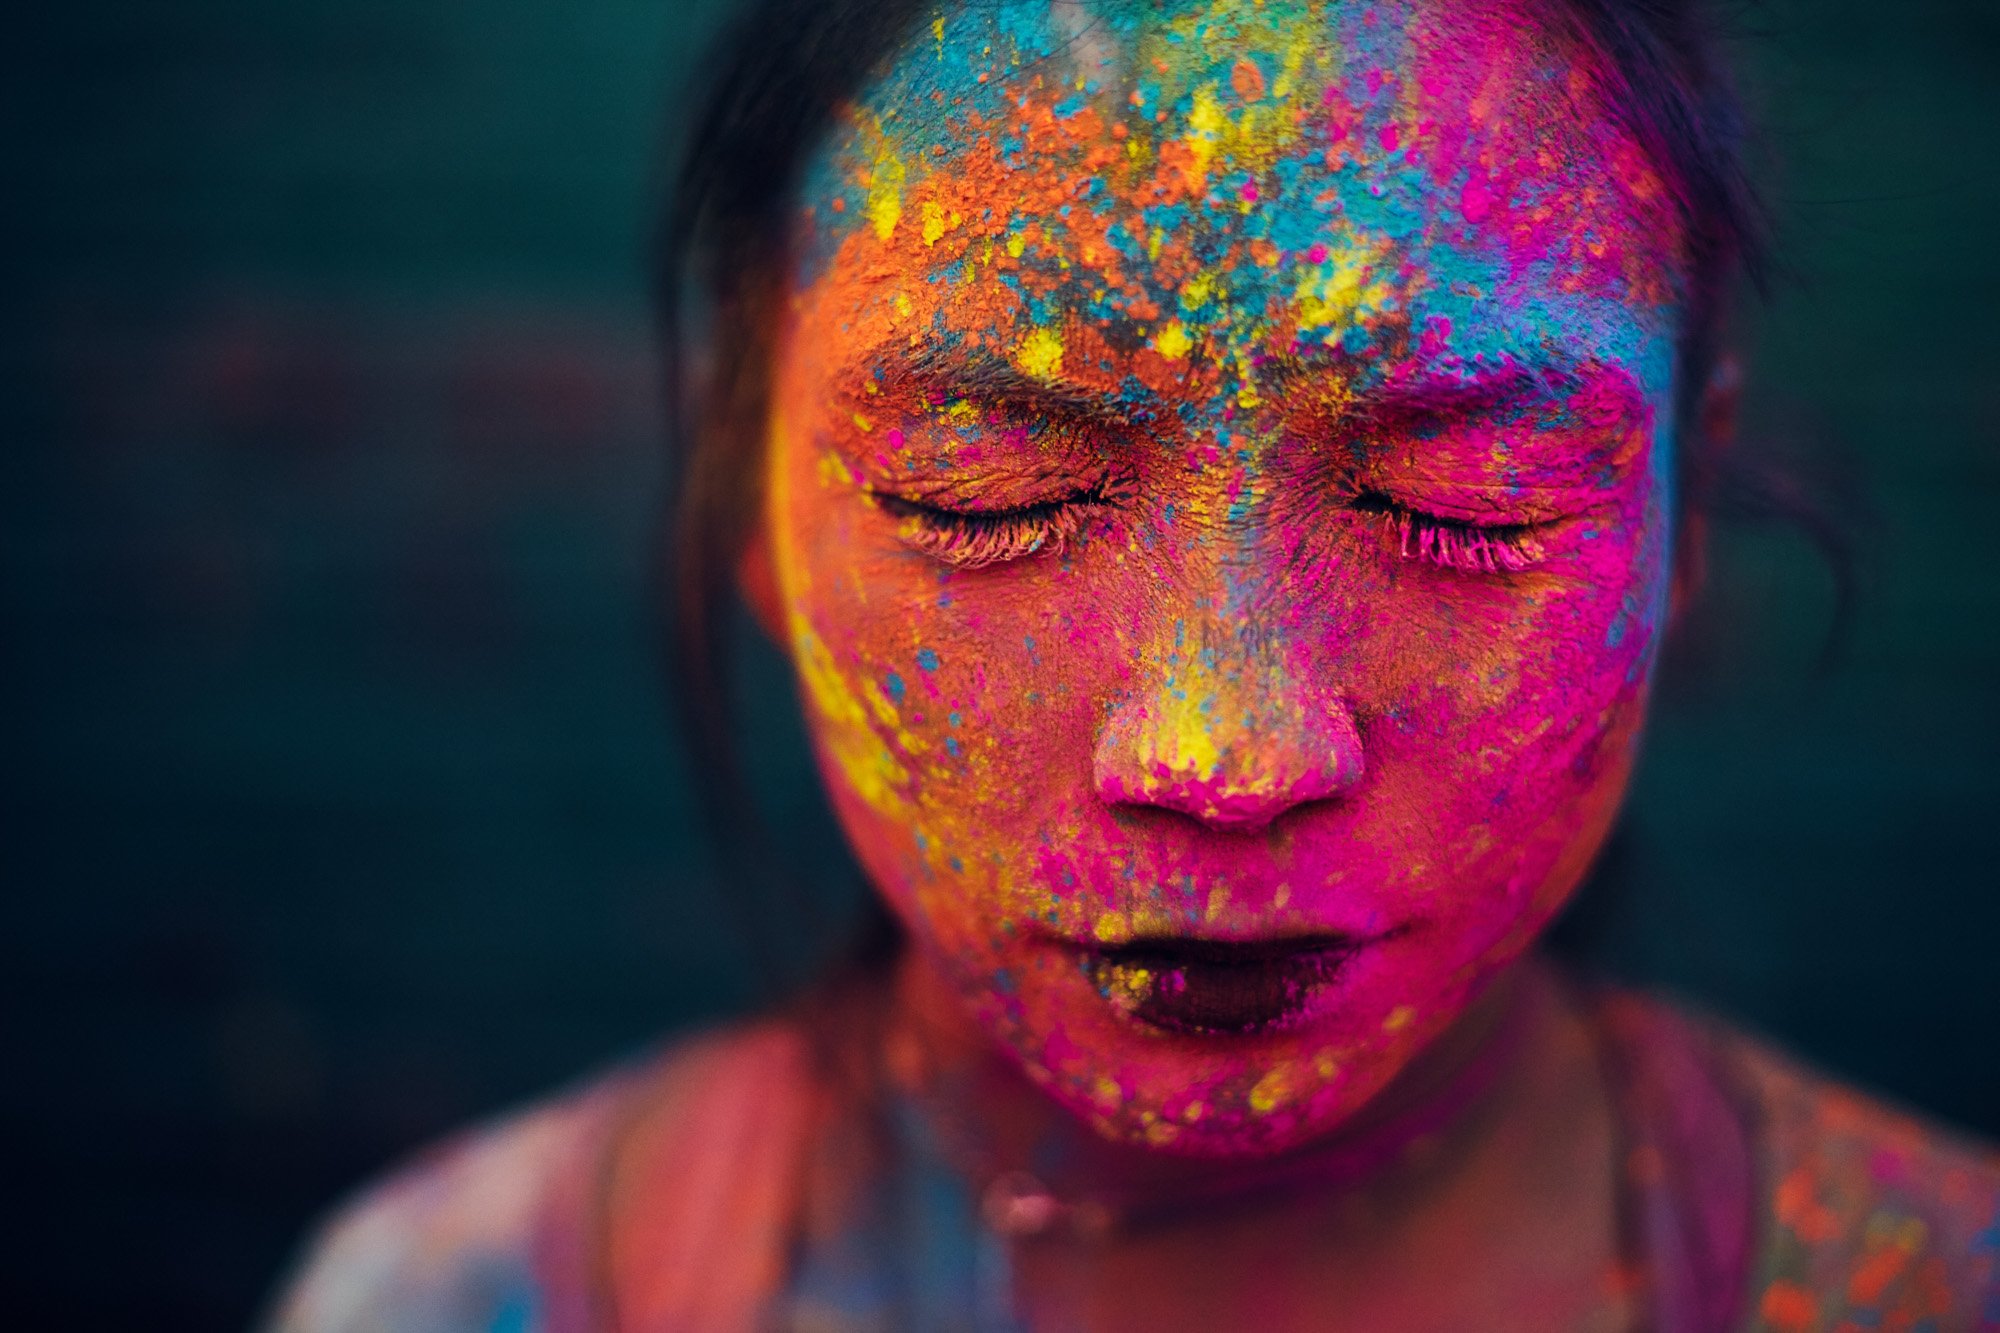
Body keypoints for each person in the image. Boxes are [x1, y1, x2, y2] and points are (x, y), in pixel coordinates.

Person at [264, 0, 2000, 1328]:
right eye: (987, 492)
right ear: (750, 492)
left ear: (1680, 516)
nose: (1227, 750)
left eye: (1464, 503)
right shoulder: (462, 1293)